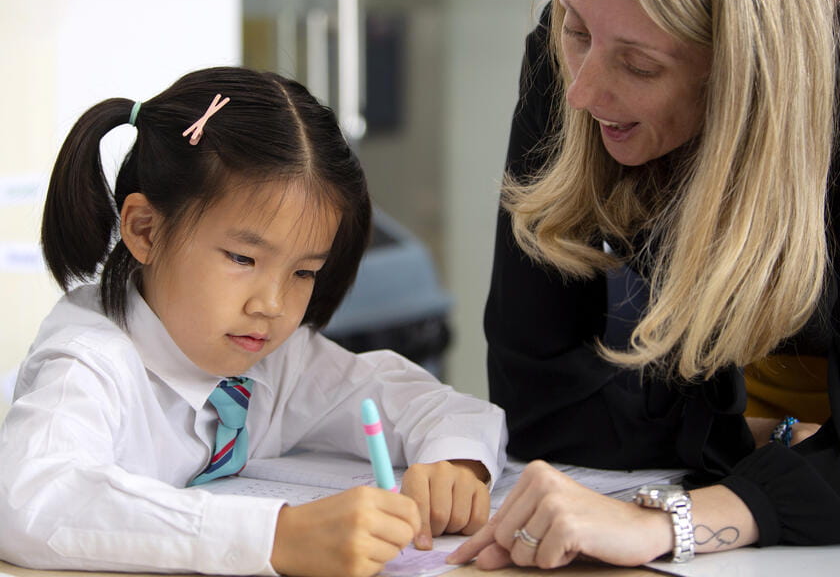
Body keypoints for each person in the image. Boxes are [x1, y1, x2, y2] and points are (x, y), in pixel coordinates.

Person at [448, 0, 840, 570]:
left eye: (640, 66)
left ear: (742, 70)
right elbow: (538, 400)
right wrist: (768, 442)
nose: (582, 92)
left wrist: (664, 523)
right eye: (574, 30)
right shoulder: (580, 50)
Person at [0, 67, 507, 577]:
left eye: (304, 272)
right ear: (145, 230)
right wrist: (276, 537)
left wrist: (455, 464)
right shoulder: (88, 363)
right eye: (243, 258)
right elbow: (32, 500)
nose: (272, 304)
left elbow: (437, 408)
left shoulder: (278, 359)